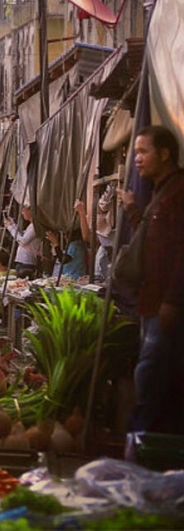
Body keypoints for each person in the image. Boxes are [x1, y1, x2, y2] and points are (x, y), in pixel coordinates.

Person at [119, 125, 184, 437]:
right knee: (150, 375)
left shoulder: (179, 193)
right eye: (136, 154)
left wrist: (172, 300)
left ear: (166, 153)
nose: (137, 160)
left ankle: (142, 444)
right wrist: (132, 209)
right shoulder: (161, 193)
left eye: (143, 152)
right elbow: (150, 240)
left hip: (164, 307)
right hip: (151, 303)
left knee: (149, 375)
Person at [4, 205, 41, 279]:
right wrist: (13, 225)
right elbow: (20, 238)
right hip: (22, 260)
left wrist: (11, 228)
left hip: (27, 261)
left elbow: (22, 241)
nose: (22, 213)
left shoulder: (34, 226)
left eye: (23, 210)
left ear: (30, 211)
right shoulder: (31, 225)